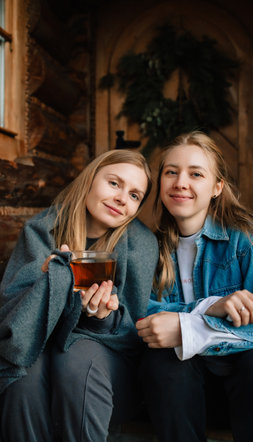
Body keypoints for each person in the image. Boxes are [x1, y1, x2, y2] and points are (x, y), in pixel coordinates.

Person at [136, 131, 253, 442]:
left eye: (196, 174)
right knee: (164, 360)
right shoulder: (147, 250)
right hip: (180, 401)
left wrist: (193, 326)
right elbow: (138, 313)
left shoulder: (249, 245)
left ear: (217, 187)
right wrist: (208, 308)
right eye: (171, 172)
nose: (180, 182)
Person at [0, 149, 158, 442]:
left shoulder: (140, 246)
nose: (123, 198)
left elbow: (134, 334)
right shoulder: (41, 230)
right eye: (114, 183)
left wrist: (102, 318)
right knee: (24, 374)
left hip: (110, 366)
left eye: (135, 195)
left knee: (76, 358)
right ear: (90, 179)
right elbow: (14, 310)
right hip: (41, 348)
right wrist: (51, 277)